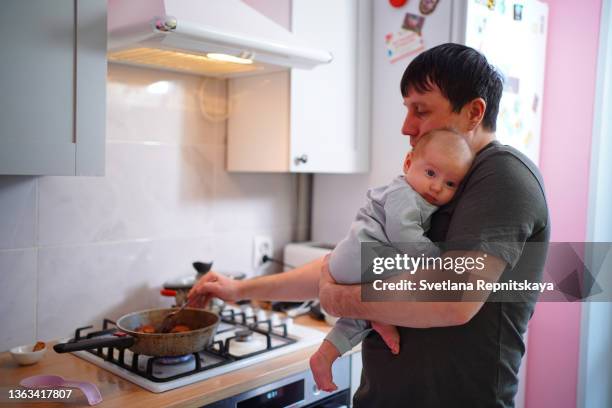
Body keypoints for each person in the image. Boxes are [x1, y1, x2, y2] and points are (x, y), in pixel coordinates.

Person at [188, 43, 550, 407]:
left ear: (473, 112)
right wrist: (242, 289)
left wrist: (338, 298)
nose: (407, 126)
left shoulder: (503, 176)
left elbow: (453, 298)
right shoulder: (436, 181)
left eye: (420, 110)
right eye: (407, 109)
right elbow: (355, 259)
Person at [310, 129, 474, 392]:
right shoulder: (404, 193)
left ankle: (325, 357)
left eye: (450, 184)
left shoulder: (417, 195)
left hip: (356, 262)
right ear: (408, 163)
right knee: (418, 279)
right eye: (431, 173)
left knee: (358, 316)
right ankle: (382, 318)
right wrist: (438, 258)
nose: (437, 187)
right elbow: (404, 235)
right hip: (363, 255)